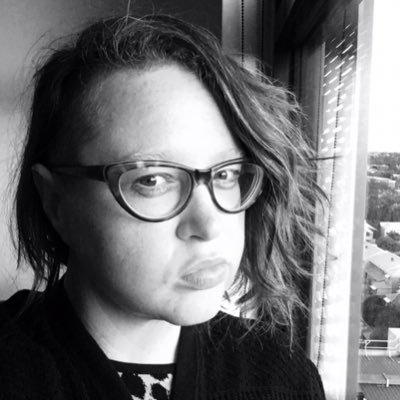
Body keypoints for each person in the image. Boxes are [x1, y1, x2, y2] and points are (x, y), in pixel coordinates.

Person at [0, 14, 326, 400]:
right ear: (55, 202)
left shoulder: (282, 377)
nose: (209, 225)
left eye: (226, 174)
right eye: (151, 180)